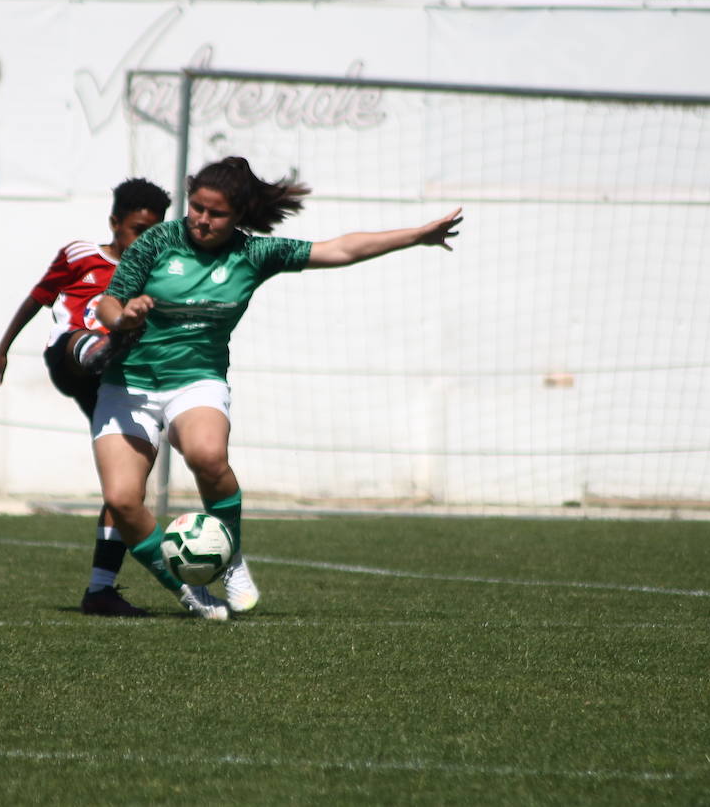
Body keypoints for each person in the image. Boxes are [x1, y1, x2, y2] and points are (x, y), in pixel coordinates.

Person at [92, 156, 462, 620]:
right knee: (123, 501)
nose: (202, 220)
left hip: (196, 379)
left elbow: (340, 249)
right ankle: (189, 591)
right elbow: (109, 303)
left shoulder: (254, 254)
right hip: (129, 382)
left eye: (217, 213)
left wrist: (415, 236)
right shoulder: (158, 241)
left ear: (240, 214)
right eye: (197, 208)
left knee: (207, 455)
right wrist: (124, 317)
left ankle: (231, 562)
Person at [0, 177, 171, 617]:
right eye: (137, 230)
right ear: (115, 223)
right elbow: (38, 297)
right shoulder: (79, 254)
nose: (145, 240)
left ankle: (101, 590)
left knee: (125, 490)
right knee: (87, 338)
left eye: (154, 232)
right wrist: (3, 349)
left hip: (119, 382)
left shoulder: (161, 272)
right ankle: (103, 348)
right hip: (70, 356)